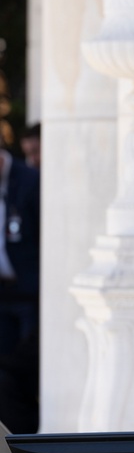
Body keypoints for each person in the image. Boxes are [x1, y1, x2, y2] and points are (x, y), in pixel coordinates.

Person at [0, 144, 40, 433]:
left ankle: (27, 432)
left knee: (26, 369)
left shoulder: (30, 180)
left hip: (29, 294)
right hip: (2, 295)